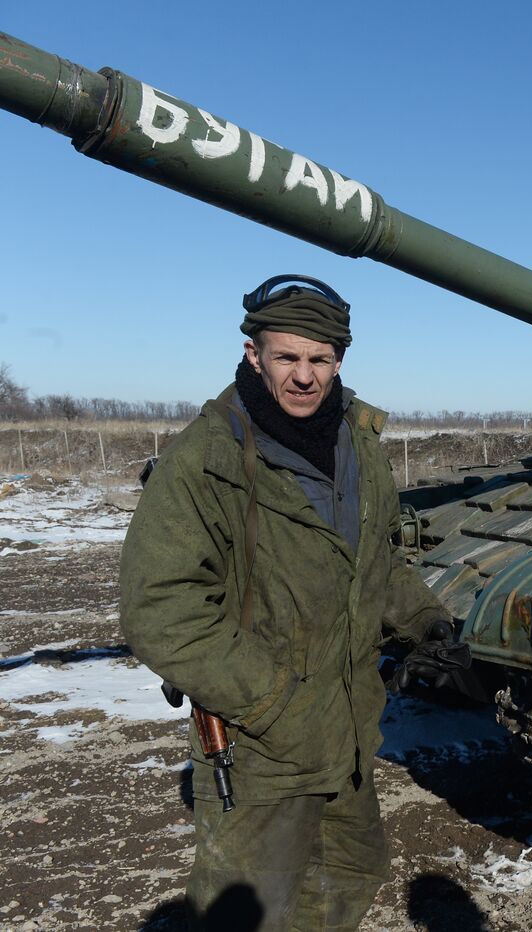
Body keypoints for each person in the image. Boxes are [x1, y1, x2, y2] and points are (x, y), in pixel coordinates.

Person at [119, 275, 472, 931]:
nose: (305, 376)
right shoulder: (208, 459)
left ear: (339, 361)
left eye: (320, 359)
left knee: (350, 882)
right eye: (288, 357)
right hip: (261, 749)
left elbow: (374, 561)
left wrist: (429, 625)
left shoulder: (357, 445)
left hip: (350, 733)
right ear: (254, 355)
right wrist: (273, 700)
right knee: (256, 913)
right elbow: (161, 609)